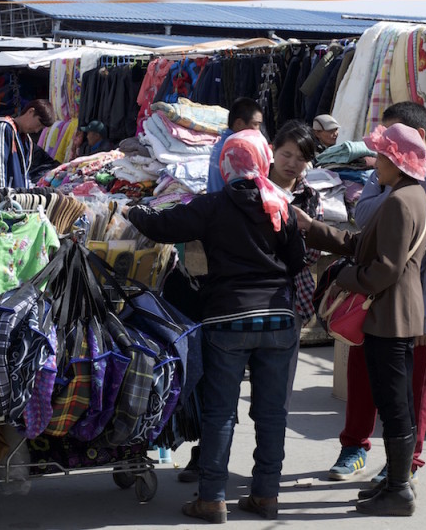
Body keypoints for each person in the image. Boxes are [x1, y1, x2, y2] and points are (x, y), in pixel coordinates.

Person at [126, 129, 306, 523]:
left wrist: (131, 211)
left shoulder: (213, 205)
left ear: (225, 165)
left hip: (227, 319)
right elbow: (297, 262)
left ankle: (212, 498)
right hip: (279, 319)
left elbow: (161, 227)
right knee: (273, 413)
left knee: (220, 412)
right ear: (264, 161)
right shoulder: (281, 206)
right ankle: (266, 495)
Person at [296, 123, 426, 516]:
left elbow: (383, 268)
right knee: (396, 403)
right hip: (399, 314)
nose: (373, 163)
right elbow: (362, 245)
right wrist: (314, 230)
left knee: (393, 406)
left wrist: (342, 277)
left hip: (388, 317)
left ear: (395, 160)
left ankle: (399, 490)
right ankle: (395, 485)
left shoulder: (399, 202)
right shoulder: (411, 196)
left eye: (380, 157)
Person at [325, 102, 426, 488]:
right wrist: (392, 182)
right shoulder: (385, 177)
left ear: (417, 140)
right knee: (364, 376)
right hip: (372, 303)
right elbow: (364, 219)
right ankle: (355, 446)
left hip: (410, 308)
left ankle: (404, 467)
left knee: (410, 391)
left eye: (390, 142)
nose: (379, 151)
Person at [179, 96, 265, 483]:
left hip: (234, 308)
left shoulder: (271, 200)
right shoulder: (265, 198)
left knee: (229, 396)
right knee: (250, 403)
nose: (260, 132)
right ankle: (261, 488)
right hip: (256, 310)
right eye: (255, 125)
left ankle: (216, 483)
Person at [268, 121, 323, 325]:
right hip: (254, 290)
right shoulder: (253, 189)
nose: (292, 164)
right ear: (273, 149)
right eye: (287, 155)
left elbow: (313, 253)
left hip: (295, 294)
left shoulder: (310, 197)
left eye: (301, 158)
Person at [0, 98, 54, 193]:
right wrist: (0, 197)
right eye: (38, 124)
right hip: (3, 201)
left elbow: (25, 175)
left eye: (41, 128)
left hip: (17, 200)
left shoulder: (27, 141)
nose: (37, 130)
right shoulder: (4, 128)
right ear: (30, 112)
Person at [206, 97, 264, 194]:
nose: (258, 131)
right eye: (255, 124)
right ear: (239, 124)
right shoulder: (236, 151)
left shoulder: (220, 145)